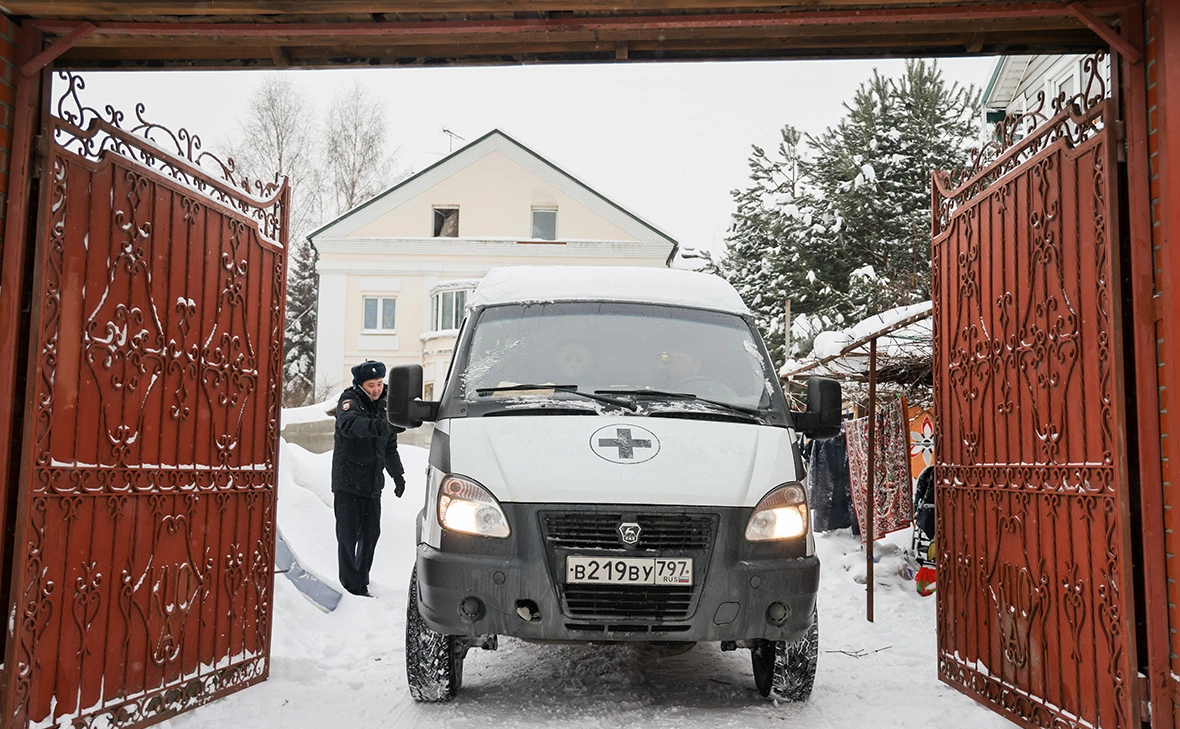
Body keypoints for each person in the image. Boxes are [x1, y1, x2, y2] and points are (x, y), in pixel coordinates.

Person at [332, 359, 405, 597]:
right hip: (348, 482)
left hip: (372, 484)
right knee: (348, 536)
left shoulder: (385, 405)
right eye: (371, 385)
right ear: (360, 384)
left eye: (379, 384)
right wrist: (381, 426)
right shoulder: (349, 401)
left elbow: (389, 447)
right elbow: (350, 425)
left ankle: (361, 581)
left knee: (371, 535)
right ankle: (351, 587)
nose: (376, 389)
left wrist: (397, 474)